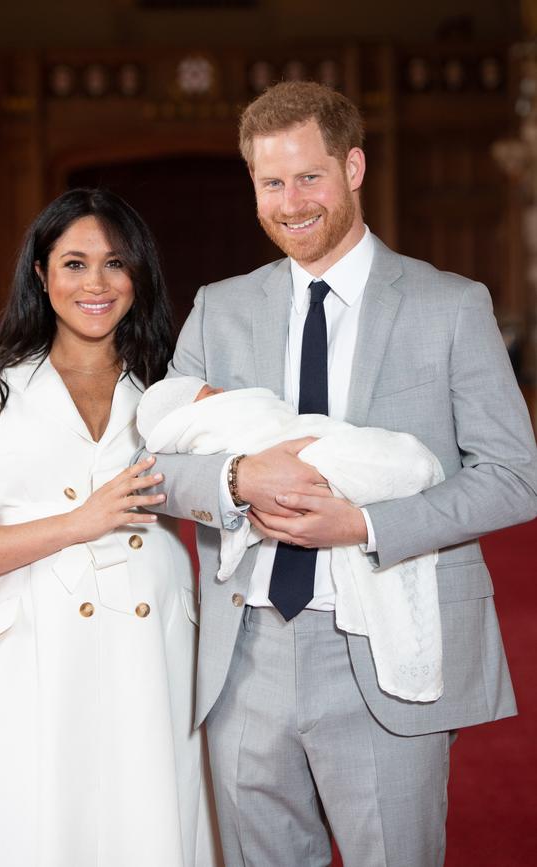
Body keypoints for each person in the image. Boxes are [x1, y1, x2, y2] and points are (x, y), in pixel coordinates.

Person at [140, 82, 537, 866]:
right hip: (245, 651)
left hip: (384, 646)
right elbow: (157, 463)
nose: (292, 202)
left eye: (310, 176)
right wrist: (237, 478)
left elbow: (516, 475)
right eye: (271, 182)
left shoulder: (449, 305)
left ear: (353, 167)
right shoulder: (219, 308)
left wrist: (364, 523)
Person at [0, 188, 219, 867]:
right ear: (40, 272)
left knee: (151, 815)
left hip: (153, 642)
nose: (96, 284)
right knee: (38, 821)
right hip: (32, 639)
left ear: (138, 274)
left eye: (115, 264)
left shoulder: (172, 386)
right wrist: (78, 522)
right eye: (75, 263)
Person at [137, 375, 445, 703]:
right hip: (247, 638)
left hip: (357, 625)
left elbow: (503, 473)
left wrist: (364, 525)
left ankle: (406, 465)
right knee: (364, 462)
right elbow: (147, 471)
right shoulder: (206, 334)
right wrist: (239, 478)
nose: (224, 393)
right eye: (212, 394)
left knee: (372, 457)